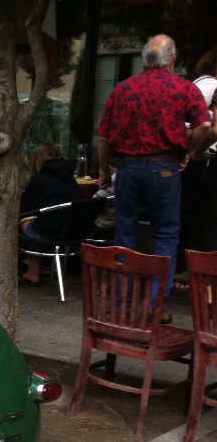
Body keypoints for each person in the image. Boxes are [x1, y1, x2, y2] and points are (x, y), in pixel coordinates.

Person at [96, 34, 215, 319]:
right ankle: (155, 305)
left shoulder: (122, 89)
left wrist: (102, 171)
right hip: (164, 169)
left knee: (125, 234)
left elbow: (102, 137)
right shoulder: (183, 88)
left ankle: (123, 304)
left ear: (144, 59)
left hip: (127, 169)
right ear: (172, 60)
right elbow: (205, 124)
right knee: (165, 236)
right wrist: (187, 151)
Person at [18, 142, 84, 285]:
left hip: (49, 232)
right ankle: (36, 267)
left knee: (22, 221)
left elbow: (28, 207)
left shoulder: (38, 180)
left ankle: (28, 270)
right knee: (42, 221)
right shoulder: (71, 179)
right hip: (74, 232)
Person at [178, 47, 217, 274]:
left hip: (204, 159)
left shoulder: (197, 86)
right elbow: (209, 128)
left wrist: (192, 152)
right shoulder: (211, 87)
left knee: (199, 217)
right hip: (205, 161)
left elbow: (208, 128)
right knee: (204, 218)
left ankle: (198, 273)